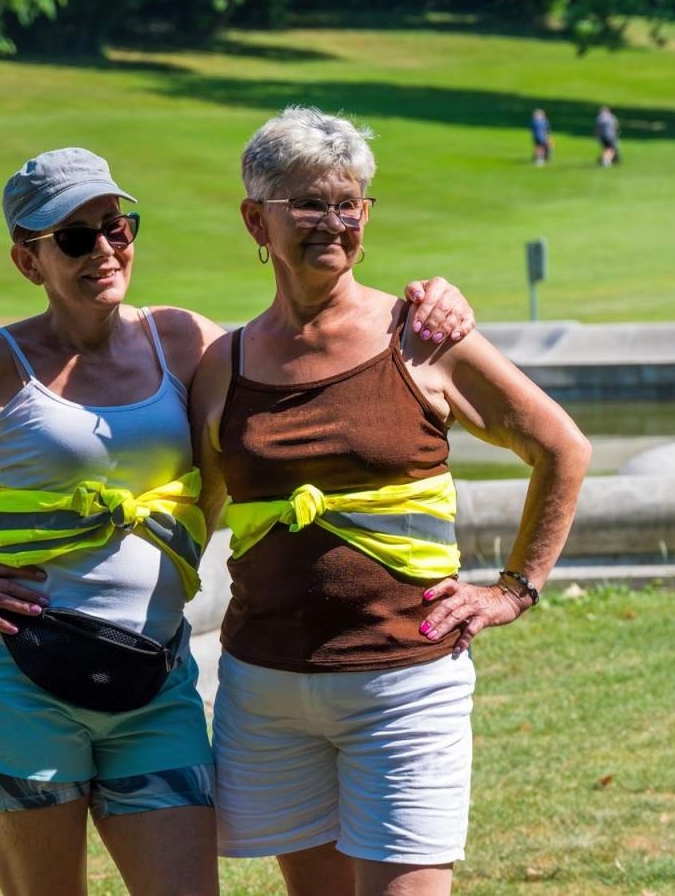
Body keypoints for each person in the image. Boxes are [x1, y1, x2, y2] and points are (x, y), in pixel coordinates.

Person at [0, 147, 475, 896]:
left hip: (154, 682)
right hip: (17, 678)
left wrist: (427, 302)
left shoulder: (184, 341)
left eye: (115, 226)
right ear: (30, 261)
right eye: (74, 237)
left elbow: (298, 352)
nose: (104, 249)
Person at [191, 107, 592, 895]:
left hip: (404, 684)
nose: (333, 223)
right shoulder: (220, 363)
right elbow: (196, 512)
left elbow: (561, 448)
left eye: (350, 204)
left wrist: (514, 590)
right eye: (308, 204)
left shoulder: (421, 335)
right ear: (255, 219)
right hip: (265, 688)